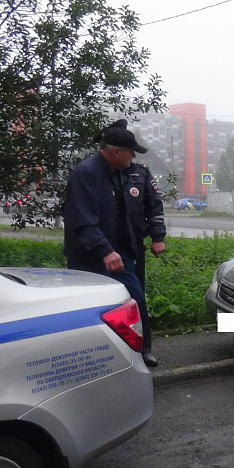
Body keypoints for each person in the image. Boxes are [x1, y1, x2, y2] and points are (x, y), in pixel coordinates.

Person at [63, 119, 166, 367]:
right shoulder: (86, 173)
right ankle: (89, 355)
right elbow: (82, 220)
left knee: (135, 300)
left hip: (124, 252)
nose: (133, 156)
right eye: (130, 151)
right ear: (116, 152)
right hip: (90, 255)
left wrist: (157, 236)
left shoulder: (134, 172)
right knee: (89, 306)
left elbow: (151, 206)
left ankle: (142, 350)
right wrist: (105, 251)